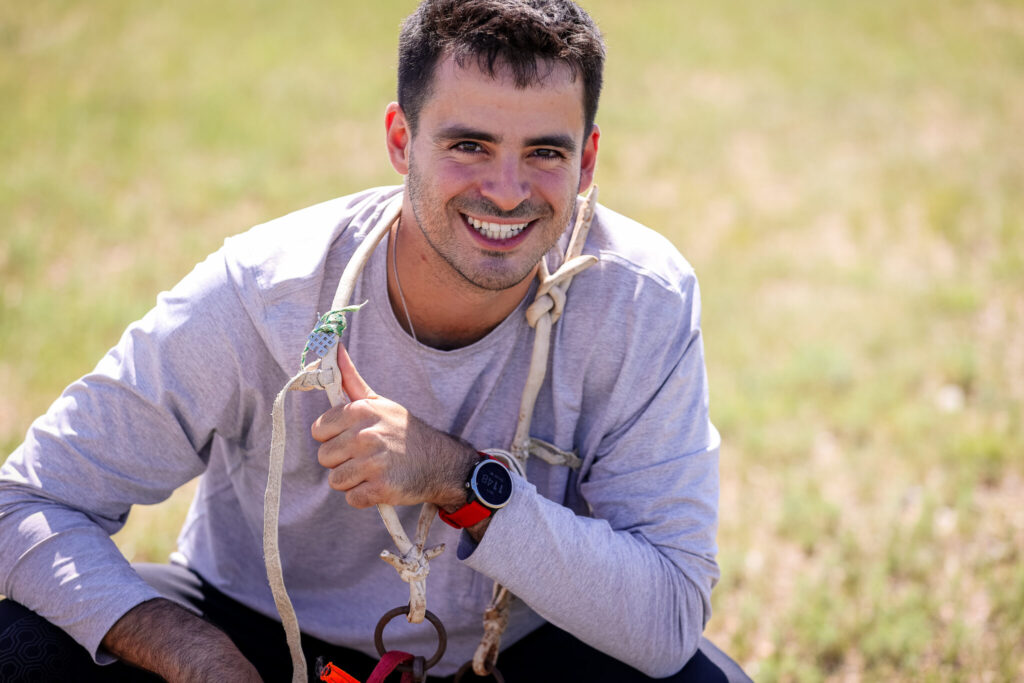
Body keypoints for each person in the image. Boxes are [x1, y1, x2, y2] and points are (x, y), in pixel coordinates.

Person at [0, 1, 750, 681]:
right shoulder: (266, 290)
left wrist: (458, 476)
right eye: (469, 145)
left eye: (546, 153)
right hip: (256, 630)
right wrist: (192, 654)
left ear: (587, 161)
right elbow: (24, 503)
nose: (509, 189)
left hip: (510, 649)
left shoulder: (641, 298)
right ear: (401, 139)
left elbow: (667, 618)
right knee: (20, 643)